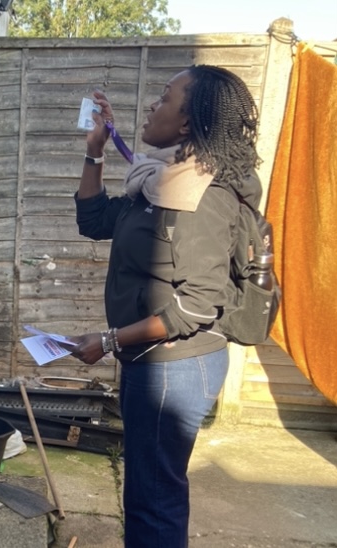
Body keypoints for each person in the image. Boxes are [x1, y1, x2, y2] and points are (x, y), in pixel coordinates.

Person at [67, 65, 262, 547]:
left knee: (155, 499)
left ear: (187, 123)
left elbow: (196, 307)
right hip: (152, 360)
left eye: (164, 98)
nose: (152, 106)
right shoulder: (161, 182)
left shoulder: (205, 197)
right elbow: (94, 220)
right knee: (147, 491)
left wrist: (110, 341)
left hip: (178, 367)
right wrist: (95, 152)